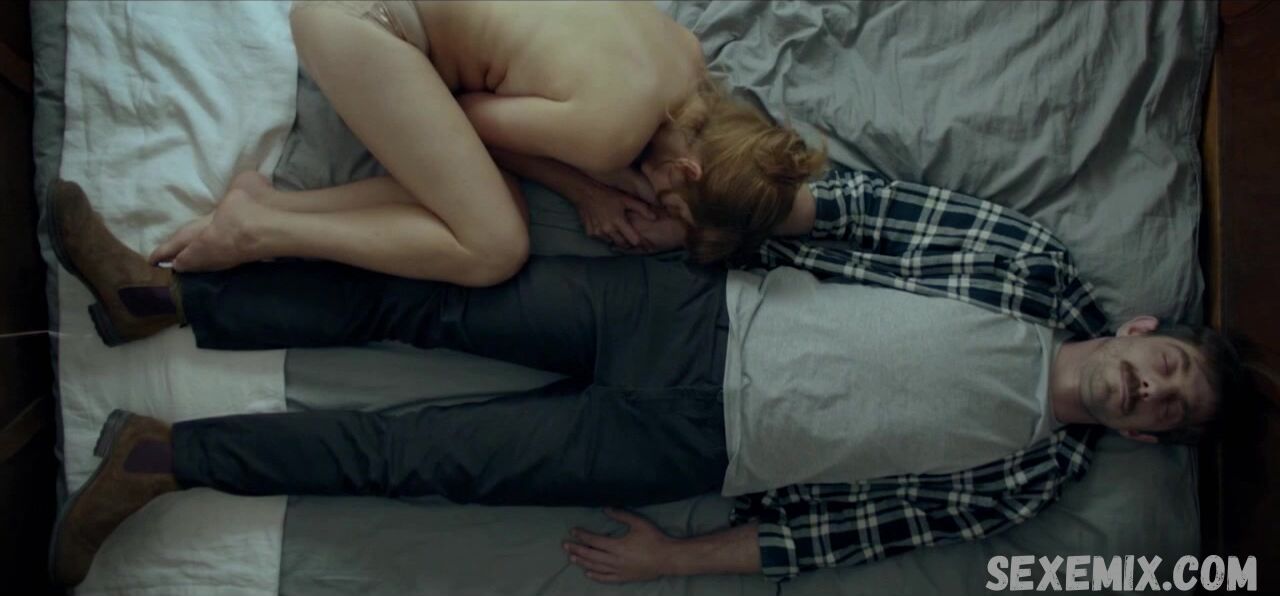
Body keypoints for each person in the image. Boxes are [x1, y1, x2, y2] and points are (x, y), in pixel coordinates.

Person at [46, 172, 1242, 587]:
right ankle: (162, 299)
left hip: (687, 452)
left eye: (1169, 409)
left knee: (414, 457)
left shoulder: (1026, 480)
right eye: (1169, 366)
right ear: (1144, 331)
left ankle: (162, 456)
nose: (1152, 389)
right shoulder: (1031, 267)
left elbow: (841, 535)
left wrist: (680, 557)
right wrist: (701, 216)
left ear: (1147, 438)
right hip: (686, 309)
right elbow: (861, 209)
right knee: (422, 297)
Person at [146, 1, 826, 286]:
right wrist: (586, 187)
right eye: (672, 205)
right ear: (686, 168)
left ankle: (262, 208)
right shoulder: (610, 136)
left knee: (483, 201)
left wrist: (613, 175)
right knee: (496, 246)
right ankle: (257, 232)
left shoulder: (686, 53)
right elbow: (467, 117)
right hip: (361, 22)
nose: (656, 205)